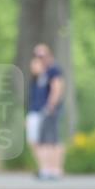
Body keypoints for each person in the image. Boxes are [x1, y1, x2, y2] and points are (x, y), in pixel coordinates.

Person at [27, 43, 65, 180]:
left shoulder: (53, 70)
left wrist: (50, 106)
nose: (39, 58)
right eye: (36, 56)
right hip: (35, 110)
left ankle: (54, 169)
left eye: (42, 56)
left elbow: (57, 88)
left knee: (51, 140)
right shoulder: (38, 73)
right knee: (36, 141)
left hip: (47, 110)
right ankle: (45, 168)